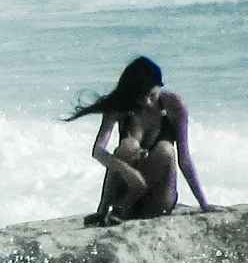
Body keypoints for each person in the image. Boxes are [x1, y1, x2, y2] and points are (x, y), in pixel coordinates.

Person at [66, 55, 214, 225]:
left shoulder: (174, 105)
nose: (146, 102)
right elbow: (98, 151)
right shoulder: (120, 107)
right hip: (123, 194)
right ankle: (109, 210)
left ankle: (122, 208)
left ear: (160, 86)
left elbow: (185, 159)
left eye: (151, 95)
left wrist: (204, 203)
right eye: (139, 96)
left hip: (157, 201)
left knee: (165, 150)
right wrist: (127, 171)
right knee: (127, 147)